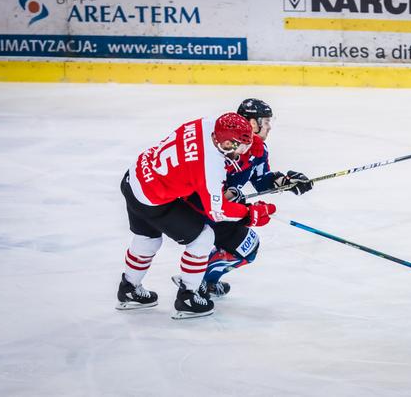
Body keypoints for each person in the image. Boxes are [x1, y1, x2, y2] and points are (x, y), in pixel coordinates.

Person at [116, 112, 277, 319]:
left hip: (134, 179)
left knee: (147, 240)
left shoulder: (207, 124)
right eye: (239, 148)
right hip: (154, 198)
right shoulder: (211, 165)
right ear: (227, 143)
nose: (240, 154)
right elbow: (217, 211)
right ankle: (188, 297)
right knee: (203, 238)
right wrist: (250, 213)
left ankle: (129, 288)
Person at [198, 98, 313, 298]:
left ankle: (204, 281)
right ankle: (198, 281)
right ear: (252, 123)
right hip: (205, 207)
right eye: (265, 122)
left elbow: (262, 180)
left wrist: (285, 181)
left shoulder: (259, 148)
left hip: (223, 208)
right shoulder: (224, 148)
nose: (269, 127)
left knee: (246, 244)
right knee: (247, 245)